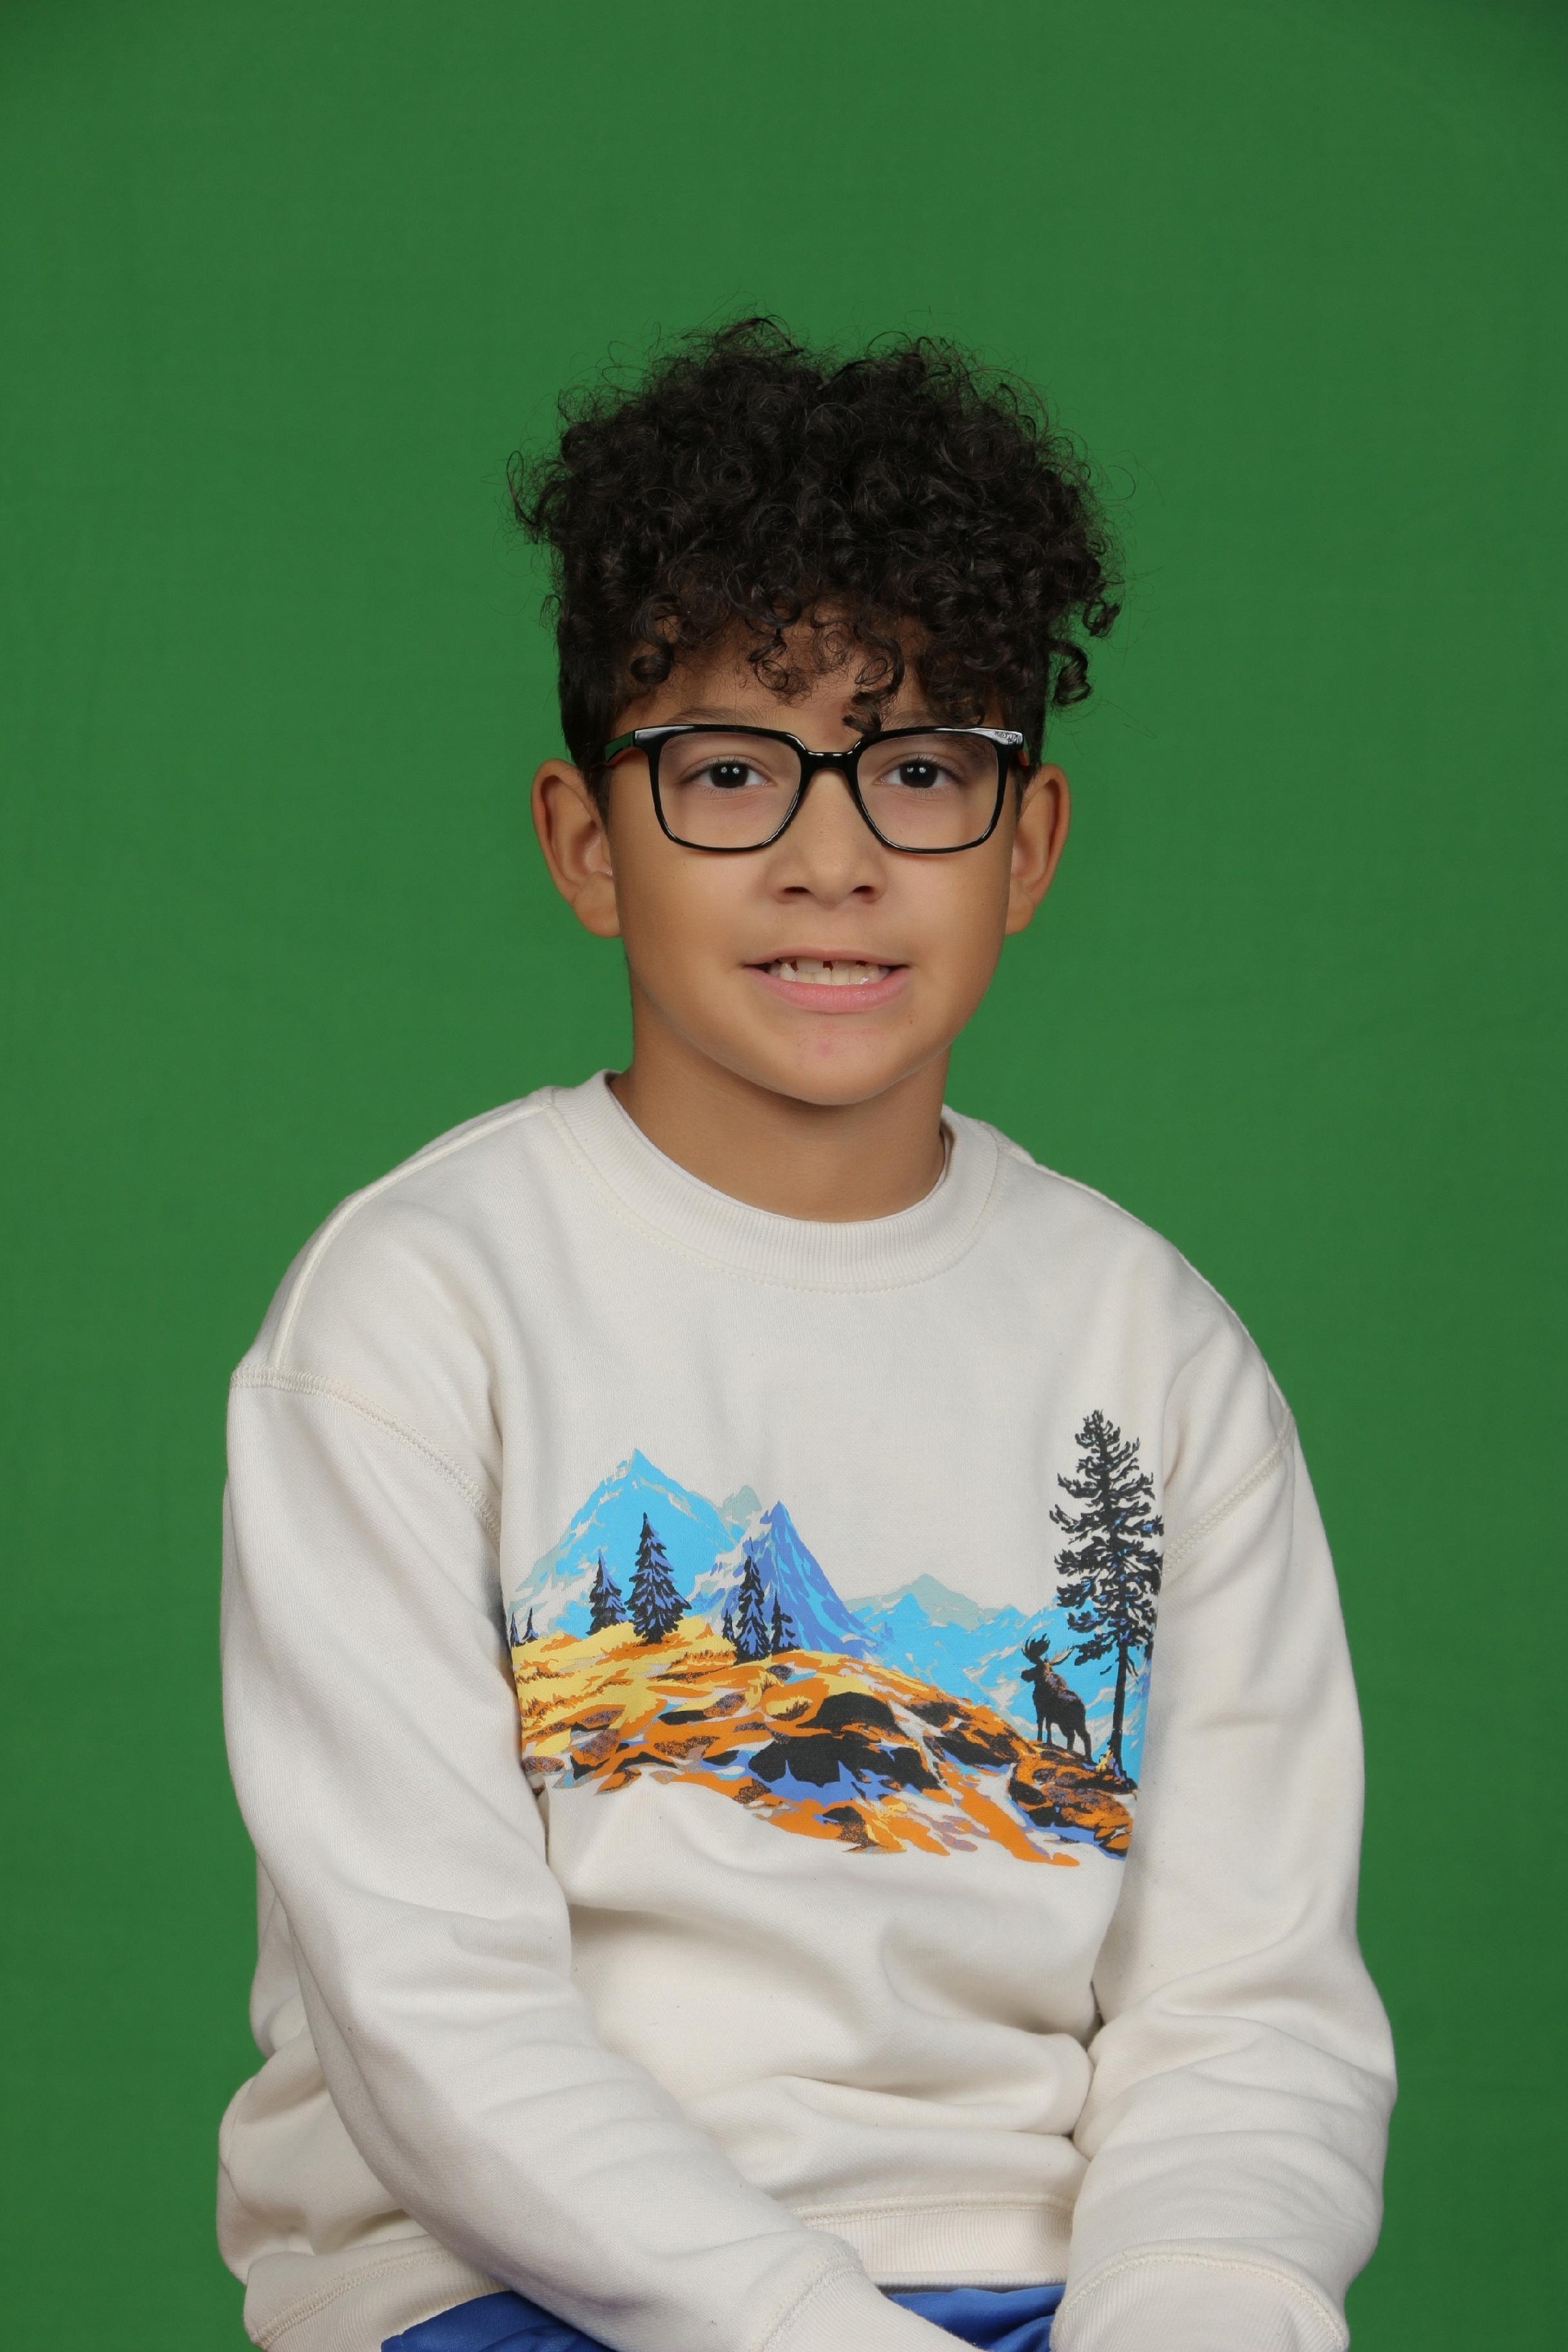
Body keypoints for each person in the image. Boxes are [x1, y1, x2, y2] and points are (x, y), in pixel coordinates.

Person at [218, 320, 1395, 2352]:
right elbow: (435, 2016)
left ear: (1028, 845)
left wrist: (1191, 2313)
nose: (831, 857)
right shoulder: (418, 1308)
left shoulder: (1161, 1355)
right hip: (505, 2279)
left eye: (921, 768)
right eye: (730, 770)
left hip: (1039, 2277)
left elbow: (1249, 2016)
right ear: (587, 841)